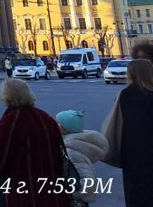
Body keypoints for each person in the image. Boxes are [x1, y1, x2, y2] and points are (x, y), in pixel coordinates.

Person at [0, 79, 69, 207]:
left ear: (6, 98)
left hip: (27, 190)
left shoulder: (11, 121)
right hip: (53, 187)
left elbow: (1, 156)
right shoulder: (45, 117)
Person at [102, 59, 153, 206]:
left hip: (133, 153)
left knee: (136, 194)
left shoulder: (126, 94)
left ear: (131, 73)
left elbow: (117, 122)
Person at [55, 109, 108, 205]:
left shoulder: (71, 152)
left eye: (57, 122)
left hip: (73, 202)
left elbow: (88, 180)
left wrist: (72, 194)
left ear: (64, 128)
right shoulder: (71, 147)